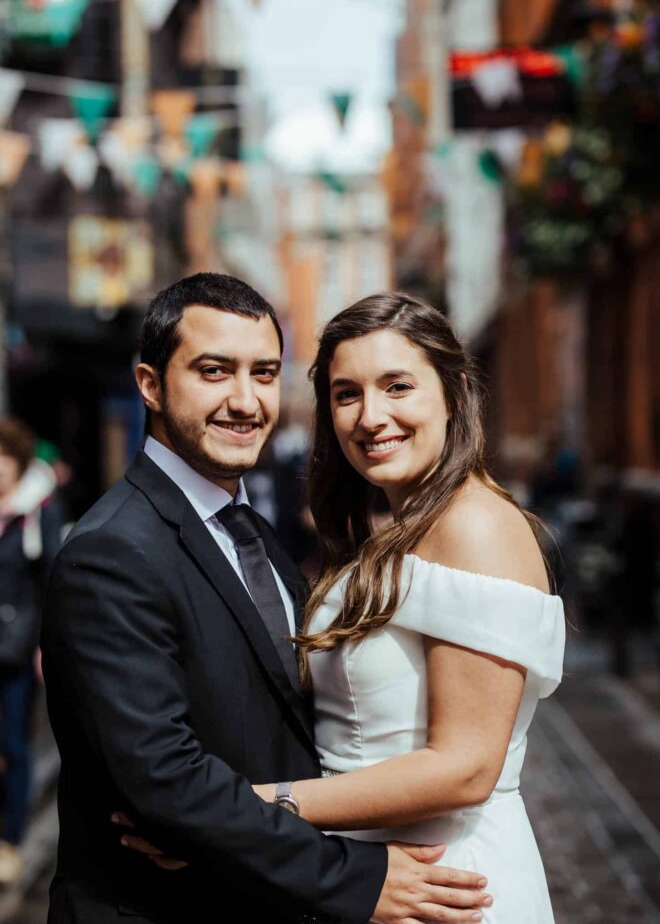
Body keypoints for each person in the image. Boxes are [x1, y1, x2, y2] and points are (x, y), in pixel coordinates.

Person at [40, 274, 491, 924]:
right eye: (214, 372)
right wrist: (355, 879)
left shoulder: (252, 531)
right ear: (150, 384)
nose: (245, 401)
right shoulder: (112, 552)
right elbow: (164, 780)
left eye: (264, 373)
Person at [122, 292, 566, 923]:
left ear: (454, 392)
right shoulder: (400, 530)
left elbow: (467, 768)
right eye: (347, 394)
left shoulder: (476, 526)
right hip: (371, 882)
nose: (370, 416)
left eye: (397, 386)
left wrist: (244, 812)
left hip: (449, 883)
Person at [0, 418, 62, 885]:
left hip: (15, 648)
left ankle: (12, 842)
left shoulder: (37, 510)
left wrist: (44, 641)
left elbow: (50, 582)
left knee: (15, 746)